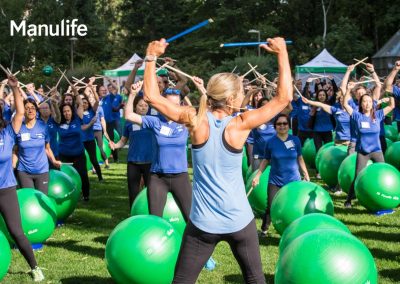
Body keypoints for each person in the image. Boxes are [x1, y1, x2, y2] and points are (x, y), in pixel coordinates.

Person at [142, 37, 292, 283]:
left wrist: (151, 56)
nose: (243, 97)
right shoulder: (241, 124)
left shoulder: (195, 119)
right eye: (241, 93)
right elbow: (283, 98)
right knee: (256, 279)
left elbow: (151, 97)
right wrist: (282, 53)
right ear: (231, 99)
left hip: (203, 225)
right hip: (239, 222)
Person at [124, 81, 192, 225]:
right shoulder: (155, 121)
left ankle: (191, 246)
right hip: (158, 178)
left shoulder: (185, 122)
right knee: (155, 221)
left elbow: (204, 113)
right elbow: (129, 115)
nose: (172, 108)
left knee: (191, 219)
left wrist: (202, 92)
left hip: (181, 177)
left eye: (176, 104)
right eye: (168, 104)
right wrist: (132, 95)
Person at [0, 75, 44, 281]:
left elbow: (19, 112)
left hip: (6, 189)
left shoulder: (7, 134)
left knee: (16, 232)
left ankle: (35, 267)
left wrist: (15, 88)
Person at [252, 114, 309, 235]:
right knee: (271, 205)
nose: (282, 126)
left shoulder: (295, 140)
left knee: (295, 205)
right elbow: (265, 160)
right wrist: (257, 176)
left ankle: (295, 229)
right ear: (275, 126)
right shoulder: (270, 142)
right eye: (279, 124)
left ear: (289, 126)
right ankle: (264, 229)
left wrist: (306, 174)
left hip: (293, 181)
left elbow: (300, 158)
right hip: (275, 181)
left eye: (285, 123)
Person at [343, 81, 394, 208]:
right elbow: (345, 104)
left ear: (373, 104)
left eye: (369, 101)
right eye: (364, 101)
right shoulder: (357, 116)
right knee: (358, 176)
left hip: (377, 151)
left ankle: (383, 198)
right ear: (361, 103)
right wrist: (348, 90)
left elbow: (392, 105)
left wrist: (390, 94)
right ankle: (349, 200)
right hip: (363, 152)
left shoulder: (378, 114)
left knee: (383, 174)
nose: (367, 103)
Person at [111, 82, 156, 208]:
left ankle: (151, 214)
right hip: (133, 163)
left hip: (149, 163)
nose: (143, 108)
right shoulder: (129, 123)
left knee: (151, 193)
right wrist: (115, 146)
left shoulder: (153, 121)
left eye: (146, 106)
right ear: (135, 107)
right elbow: (123, 141)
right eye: (140, 105)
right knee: (133, 193)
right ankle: (133, 215)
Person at [16, 98, 61, 194]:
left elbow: (47, 148)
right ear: (23, 111)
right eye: (27, 108)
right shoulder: (18, 128)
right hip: (24, 171)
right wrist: (11, 166)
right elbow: (15, 150)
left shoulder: (43, 126)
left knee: (42, 199)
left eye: (32, 107)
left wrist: (53, 161)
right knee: (30, 199)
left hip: (42, 171)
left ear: (36, 110)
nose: (30, 110)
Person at [57, 87, 91, 201]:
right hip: (64, 155)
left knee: (82, 175)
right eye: (64, 111)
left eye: (69, 111)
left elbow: (80, 104)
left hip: (78, 155)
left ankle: (86, 195)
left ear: (72, 111)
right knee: (65, 177)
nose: (67, 113)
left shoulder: (78, 119)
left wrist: (76, 92)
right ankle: (67, 197)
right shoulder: (58, 121)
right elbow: (55, 107)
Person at [81, 79, 103, 181]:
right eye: (82, 103)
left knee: (93, 159)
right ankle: (82, 177)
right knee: (82, 160)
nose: (84, 104)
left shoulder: (92, 111)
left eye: (85, 103)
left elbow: (97, 101)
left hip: (89, 140)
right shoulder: (78, 113)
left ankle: (100, 176)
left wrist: (93, 90)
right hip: (80, 141)